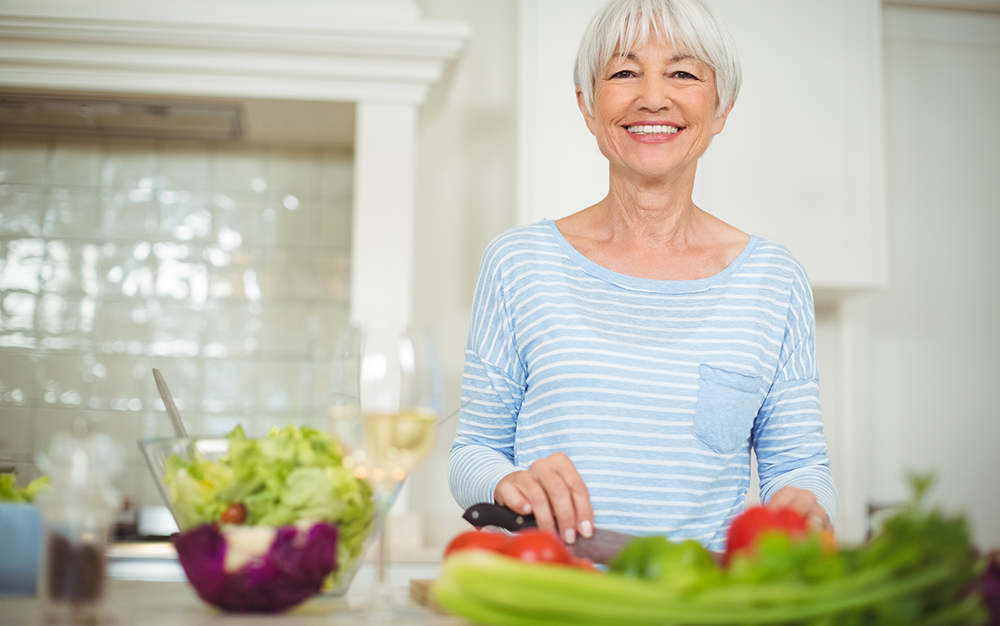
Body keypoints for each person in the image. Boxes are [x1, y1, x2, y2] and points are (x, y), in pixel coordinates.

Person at [449, 0, 836, 554]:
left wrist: (805, 506)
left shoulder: (775, 280)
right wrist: (505, 481)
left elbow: (798, 466)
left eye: (682, 73)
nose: (653, 97)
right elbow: (473, 451)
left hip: (696, 602)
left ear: (720, 107)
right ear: (587, 104)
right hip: (548, 592)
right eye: (624, 72)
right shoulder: (518, 262)